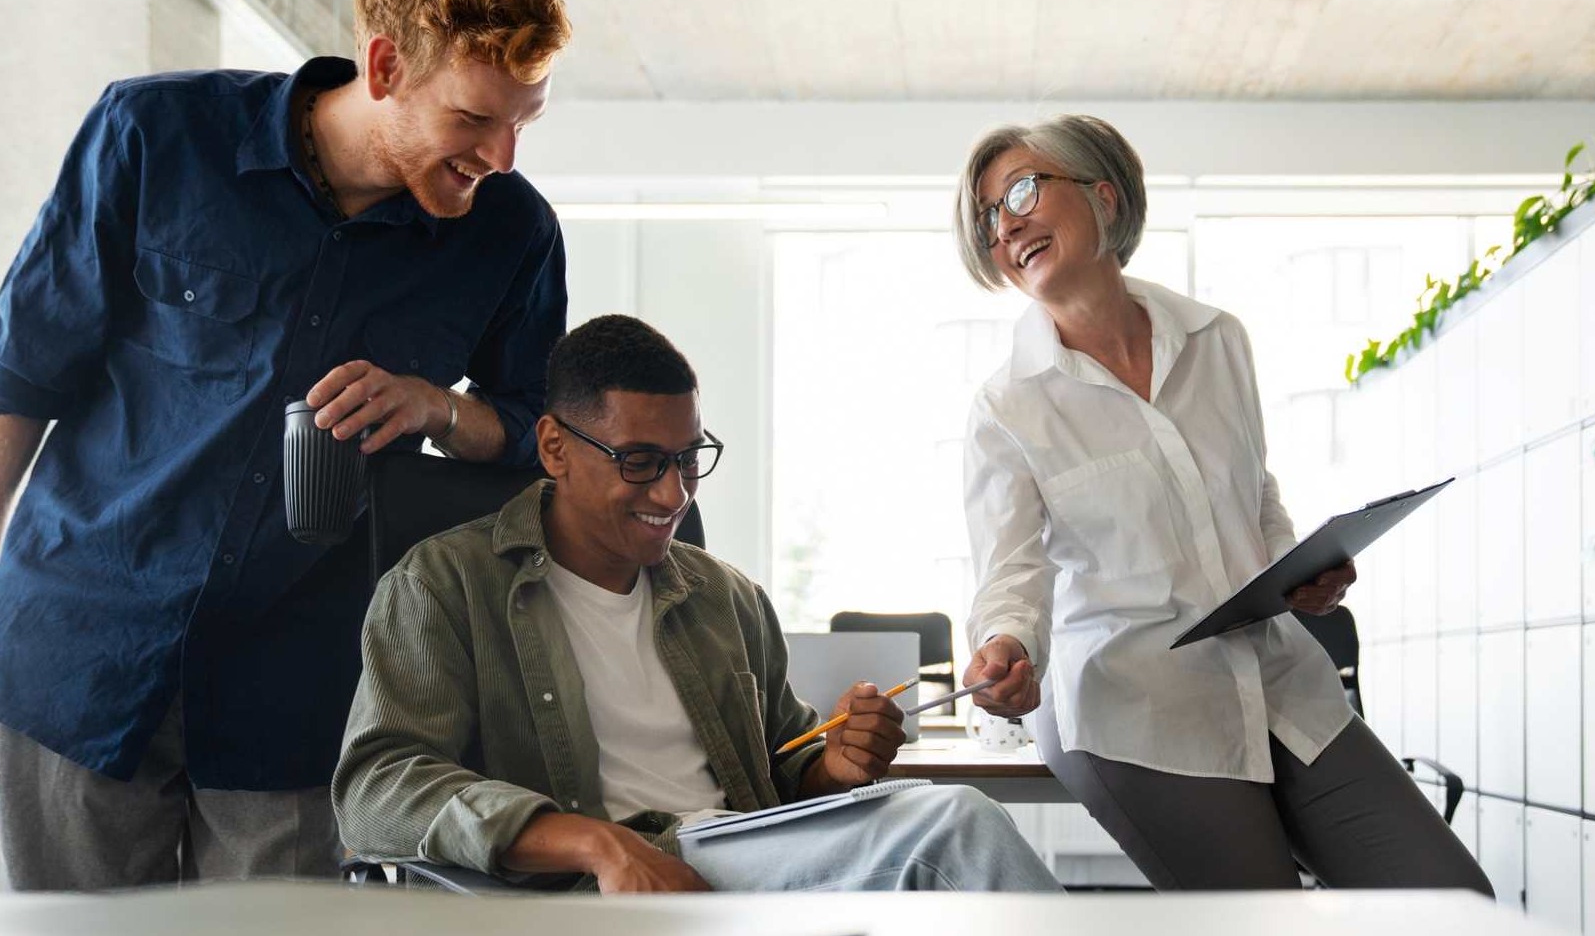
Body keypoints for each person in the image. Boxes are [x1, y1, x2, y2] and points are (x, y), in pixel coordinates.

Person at [0, 0, 571, 890]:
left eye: (526, 121)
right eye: (476, 117)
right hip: (81, 645)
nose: (502, 156)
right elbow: (24, 367)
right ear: (386, 66)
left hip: (303, 690)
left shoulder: (512, 234)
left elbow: (536, 434)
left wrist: (438, 407)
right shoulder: (154, 135)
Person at [333, 316, 1061, 894]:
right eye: (641, 461)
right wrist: (599, 842)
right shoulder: (443, 585)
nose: (673, 494)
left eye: (688, 459)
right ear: (554, 447)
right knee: (954, 826)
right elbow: (377, 788)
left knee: (944, 834)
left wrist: (836, 765)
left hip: (738, 860)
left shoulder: (724, 595)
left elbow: (785, 763)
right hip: (593, 887)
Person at [952, 115, 1492, 893]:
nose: (1007, 225)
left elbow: (1255, 493)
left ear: (1103, 196)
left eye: (1024, 191)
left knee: (1456, 904)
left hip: (1277, 675)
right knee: (1265, 920)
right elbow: (1011, 572)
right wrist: (1007, 645)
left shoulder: (1217, 341)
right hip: (1131, 704)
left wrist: (1298, 570)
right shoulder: (1007, 407)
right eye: (990, 216)